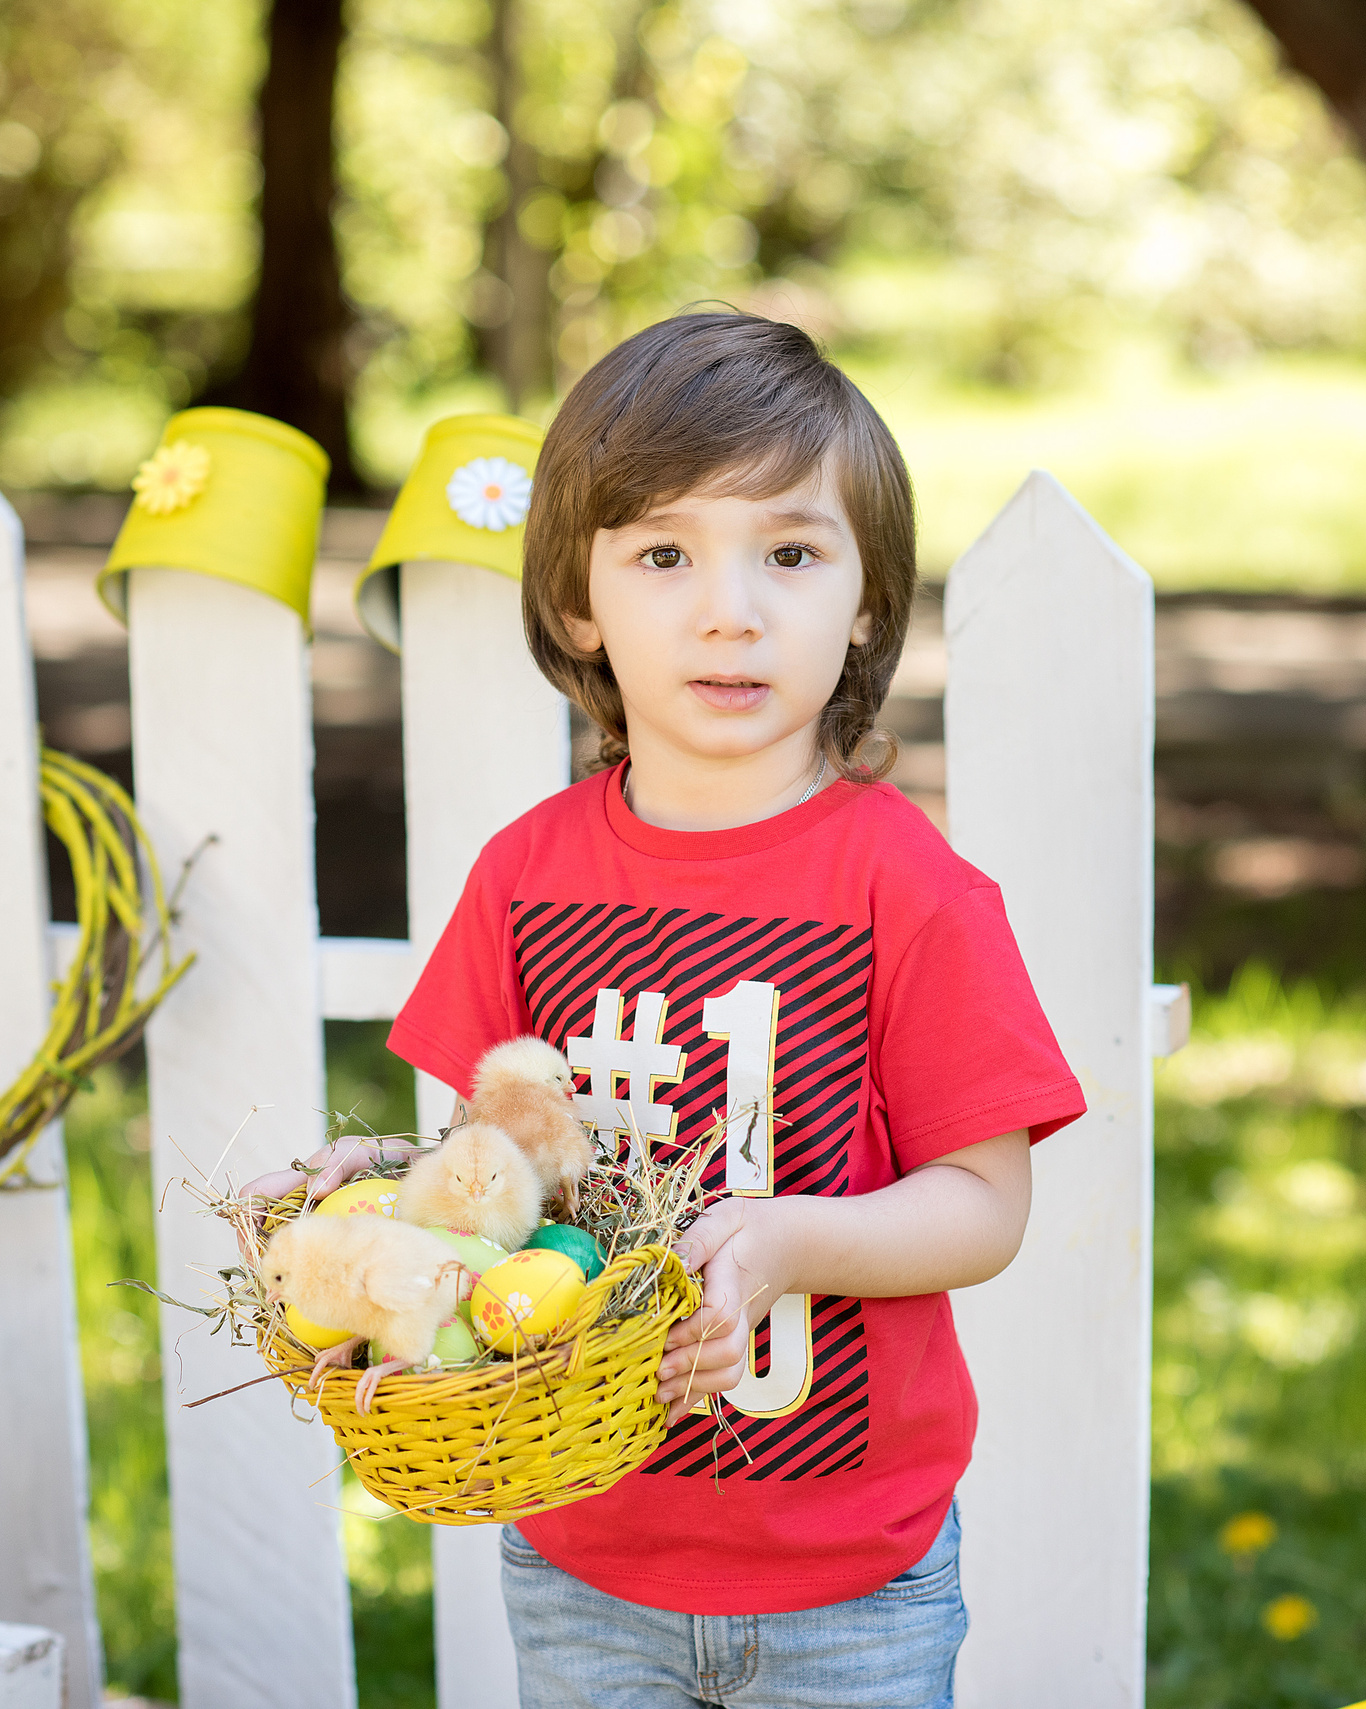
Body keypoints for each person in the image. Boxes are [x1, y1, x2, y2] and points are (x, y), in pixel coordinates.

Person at [386, 311, 1084, 1709]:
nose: (730, 609)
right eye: (663, 554)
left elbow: (984, 1204)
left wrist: (791, 1239)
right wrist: (373, 1207)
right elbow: (488, 1172)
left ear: (867, 598)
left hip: (853, 1580)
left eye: (790, 552)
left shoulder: (909, 889)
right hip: (586, 1552)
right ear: (580, 603)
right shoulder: (526, 876)